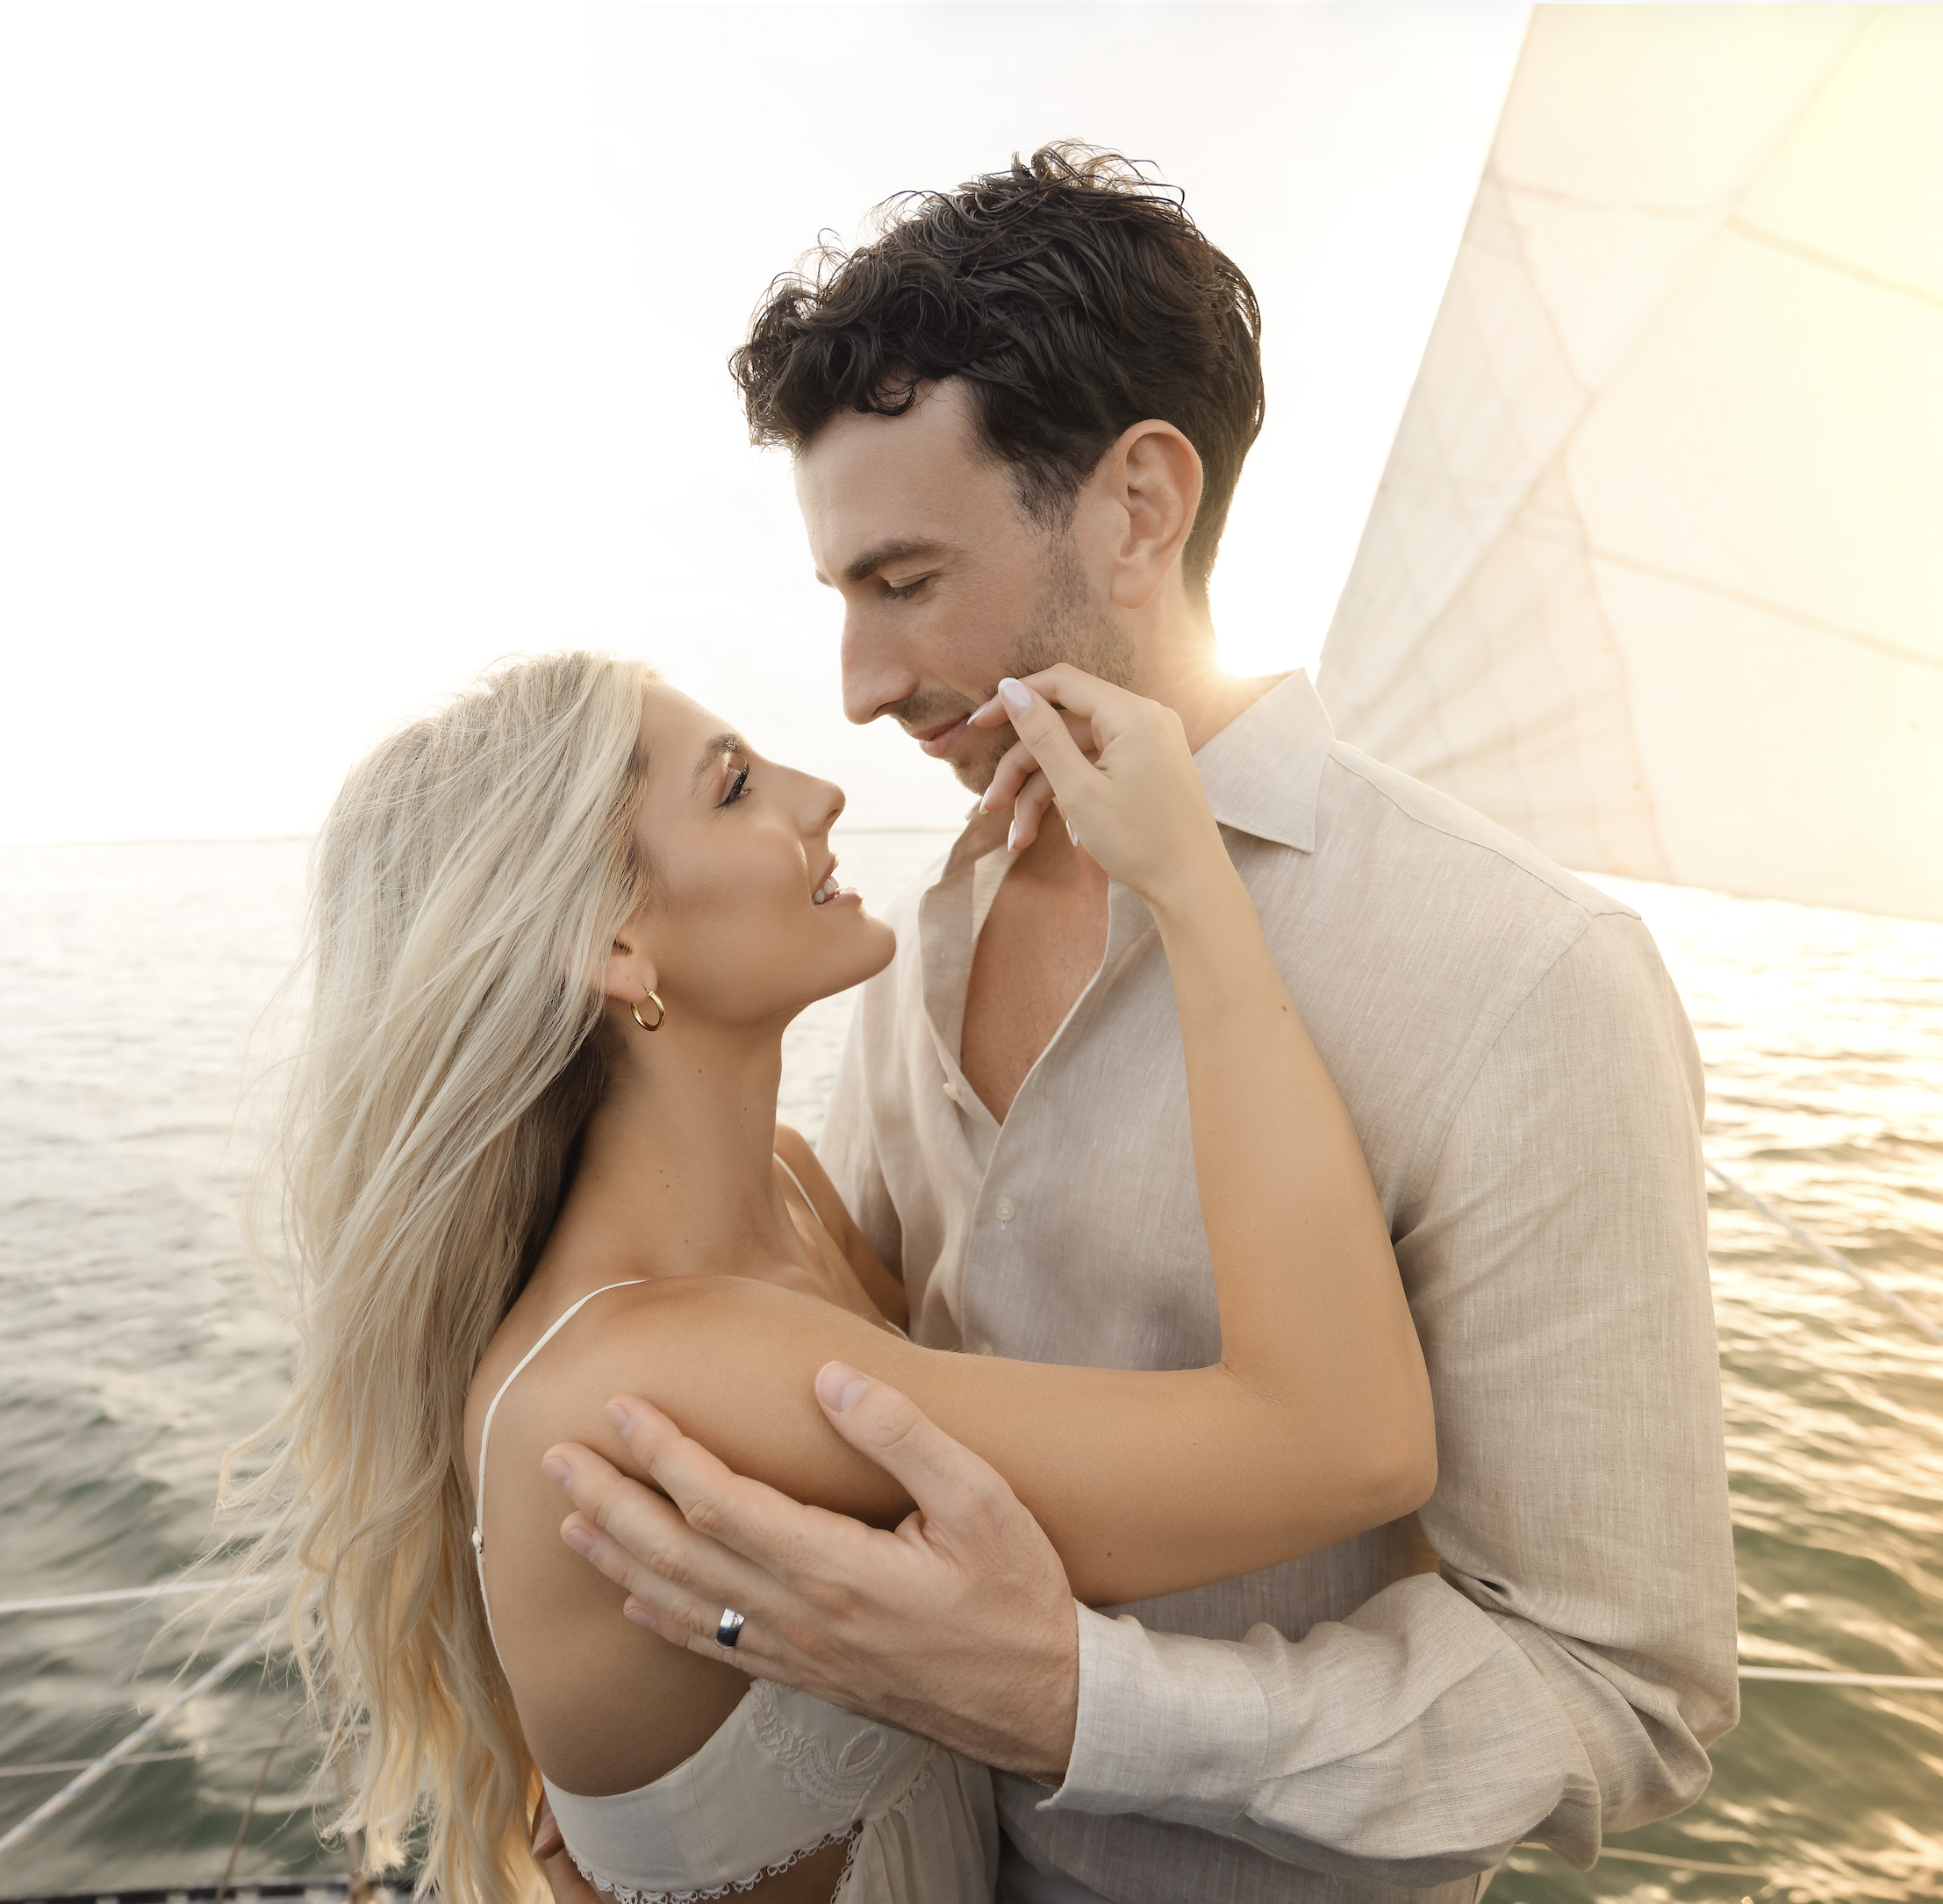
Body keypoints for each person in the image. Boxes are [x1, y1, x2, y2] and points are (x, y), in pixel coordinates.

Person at [546, 147, 1739, 1903]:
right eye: (841, 600)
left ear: (1135, 508)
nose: (863, 688)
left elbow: (1619, 1688)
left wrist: (1088, 1703)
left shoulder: (1521, 969)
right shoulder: (909, 927)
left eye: (904, 580)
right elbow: (857, 1376)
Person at [227, 647, 1436, 1904]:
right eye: (737, 786)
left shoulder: (793, 1190)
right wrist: (1190, 884)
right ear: (616, 943)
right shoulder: (650, 1372)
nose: (821, 794)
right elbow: (1346, 1439)